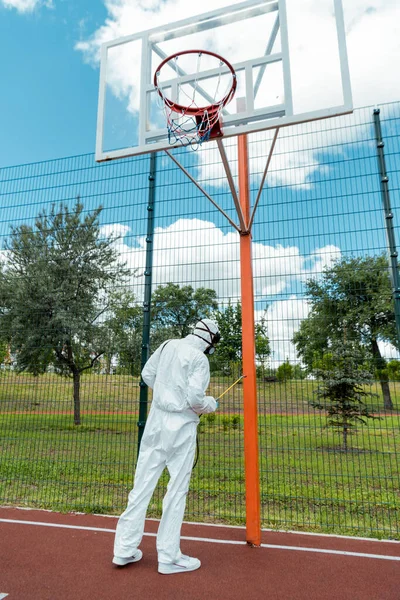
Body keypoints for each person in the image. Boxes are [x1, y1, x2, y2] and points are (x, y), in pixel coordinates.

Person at [113, 318, 220, 574]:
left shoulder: (167, 345)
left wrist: (166, 393)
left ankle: (124, 550)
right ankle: (169, 557)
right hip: (181, 427)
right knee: (176, 489)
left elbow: (147, 374)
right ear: (211, 339)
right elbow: (195, 399)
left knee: (141, 485)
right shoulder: (200, 359)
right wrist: (210, 404)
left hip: (156, 422)